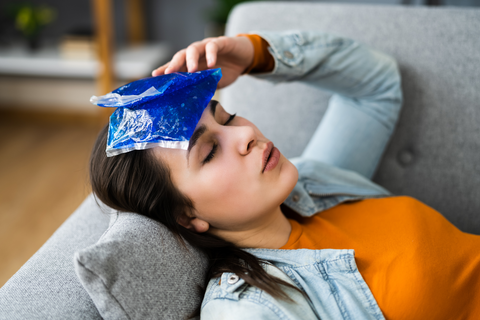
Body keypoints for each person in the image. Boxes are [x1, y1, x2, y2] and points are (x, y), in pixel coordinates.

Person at [90, 31, 480, 319]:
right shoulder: (250, 309)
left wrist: (257, 55)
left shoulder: (313, 182)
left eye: (227, 117)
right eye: (209, 152)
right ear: (188, 217)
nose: (245, 134)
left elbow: (376, 88)